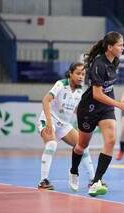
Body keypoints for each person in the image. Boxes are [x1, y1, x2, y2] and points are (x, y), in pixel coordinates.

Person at [69, 31, 124, 196]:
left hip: (105, 108)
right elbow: (97, 94)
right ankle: (73, 171)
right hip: (89, 108)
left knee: (111, 140)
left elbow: (106, 91)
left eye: (122, 44)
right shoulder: (98, 64)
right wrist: (119, 105)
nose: (123, 47)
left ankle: (96, 181)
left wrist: (114, 105)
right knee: (81, 146)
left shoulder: (115, 61)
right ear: (110, 47)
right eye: (120, 45)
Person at [37, 62, 95, 190]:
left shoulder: (80, 90)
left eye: (83, 74)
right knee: (52, 144)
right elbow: (45, 100)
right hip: (49, 119)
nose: (81, 76)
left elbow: (75, 110)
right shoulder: (61, 84)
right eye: (78, 73)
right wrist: (48, 122)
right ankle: (43, 181)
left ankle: (93, 180)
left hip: (64, 125)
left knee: (82, 145)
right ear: (70, 73)